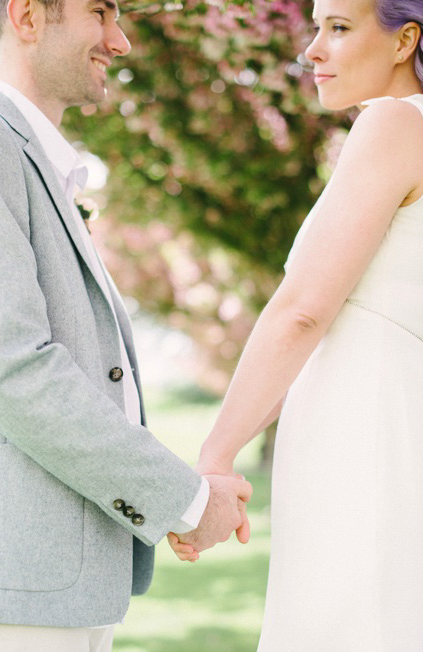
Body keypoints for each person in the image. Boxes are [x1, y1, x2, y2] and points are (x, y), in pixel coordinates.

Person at [0, 0, 253, 648]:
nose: (120, 43)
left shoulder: (33, 159)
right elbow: (14, 370)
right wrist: (188, 501)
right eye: (101, 13)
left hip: (62, 591)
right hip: (16, 594)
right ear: (29, 17)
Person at [167, 0, 423, 647]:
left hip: (362, 437)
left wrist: (215, 457)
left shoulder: (394, 124)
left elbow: (303, 308)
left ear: (405, 41)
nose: (312, 49)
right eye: (314, 27)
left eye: (338, 28)